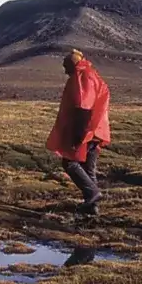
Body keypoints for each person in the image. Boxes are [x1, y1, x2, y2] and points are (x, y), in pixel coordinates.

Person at [47, 49, 111, 213]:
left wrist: (78, 136)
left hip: (87, 130)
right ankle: (92, 207)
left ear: (72, 64)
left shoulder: (83, 76)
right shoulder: (92, 74)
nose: (65, 70)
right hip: (96, 130)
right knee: (88, 168)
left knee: (70, 162)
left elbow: (84, 107)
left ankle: (92, 194)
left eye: (66, 66)